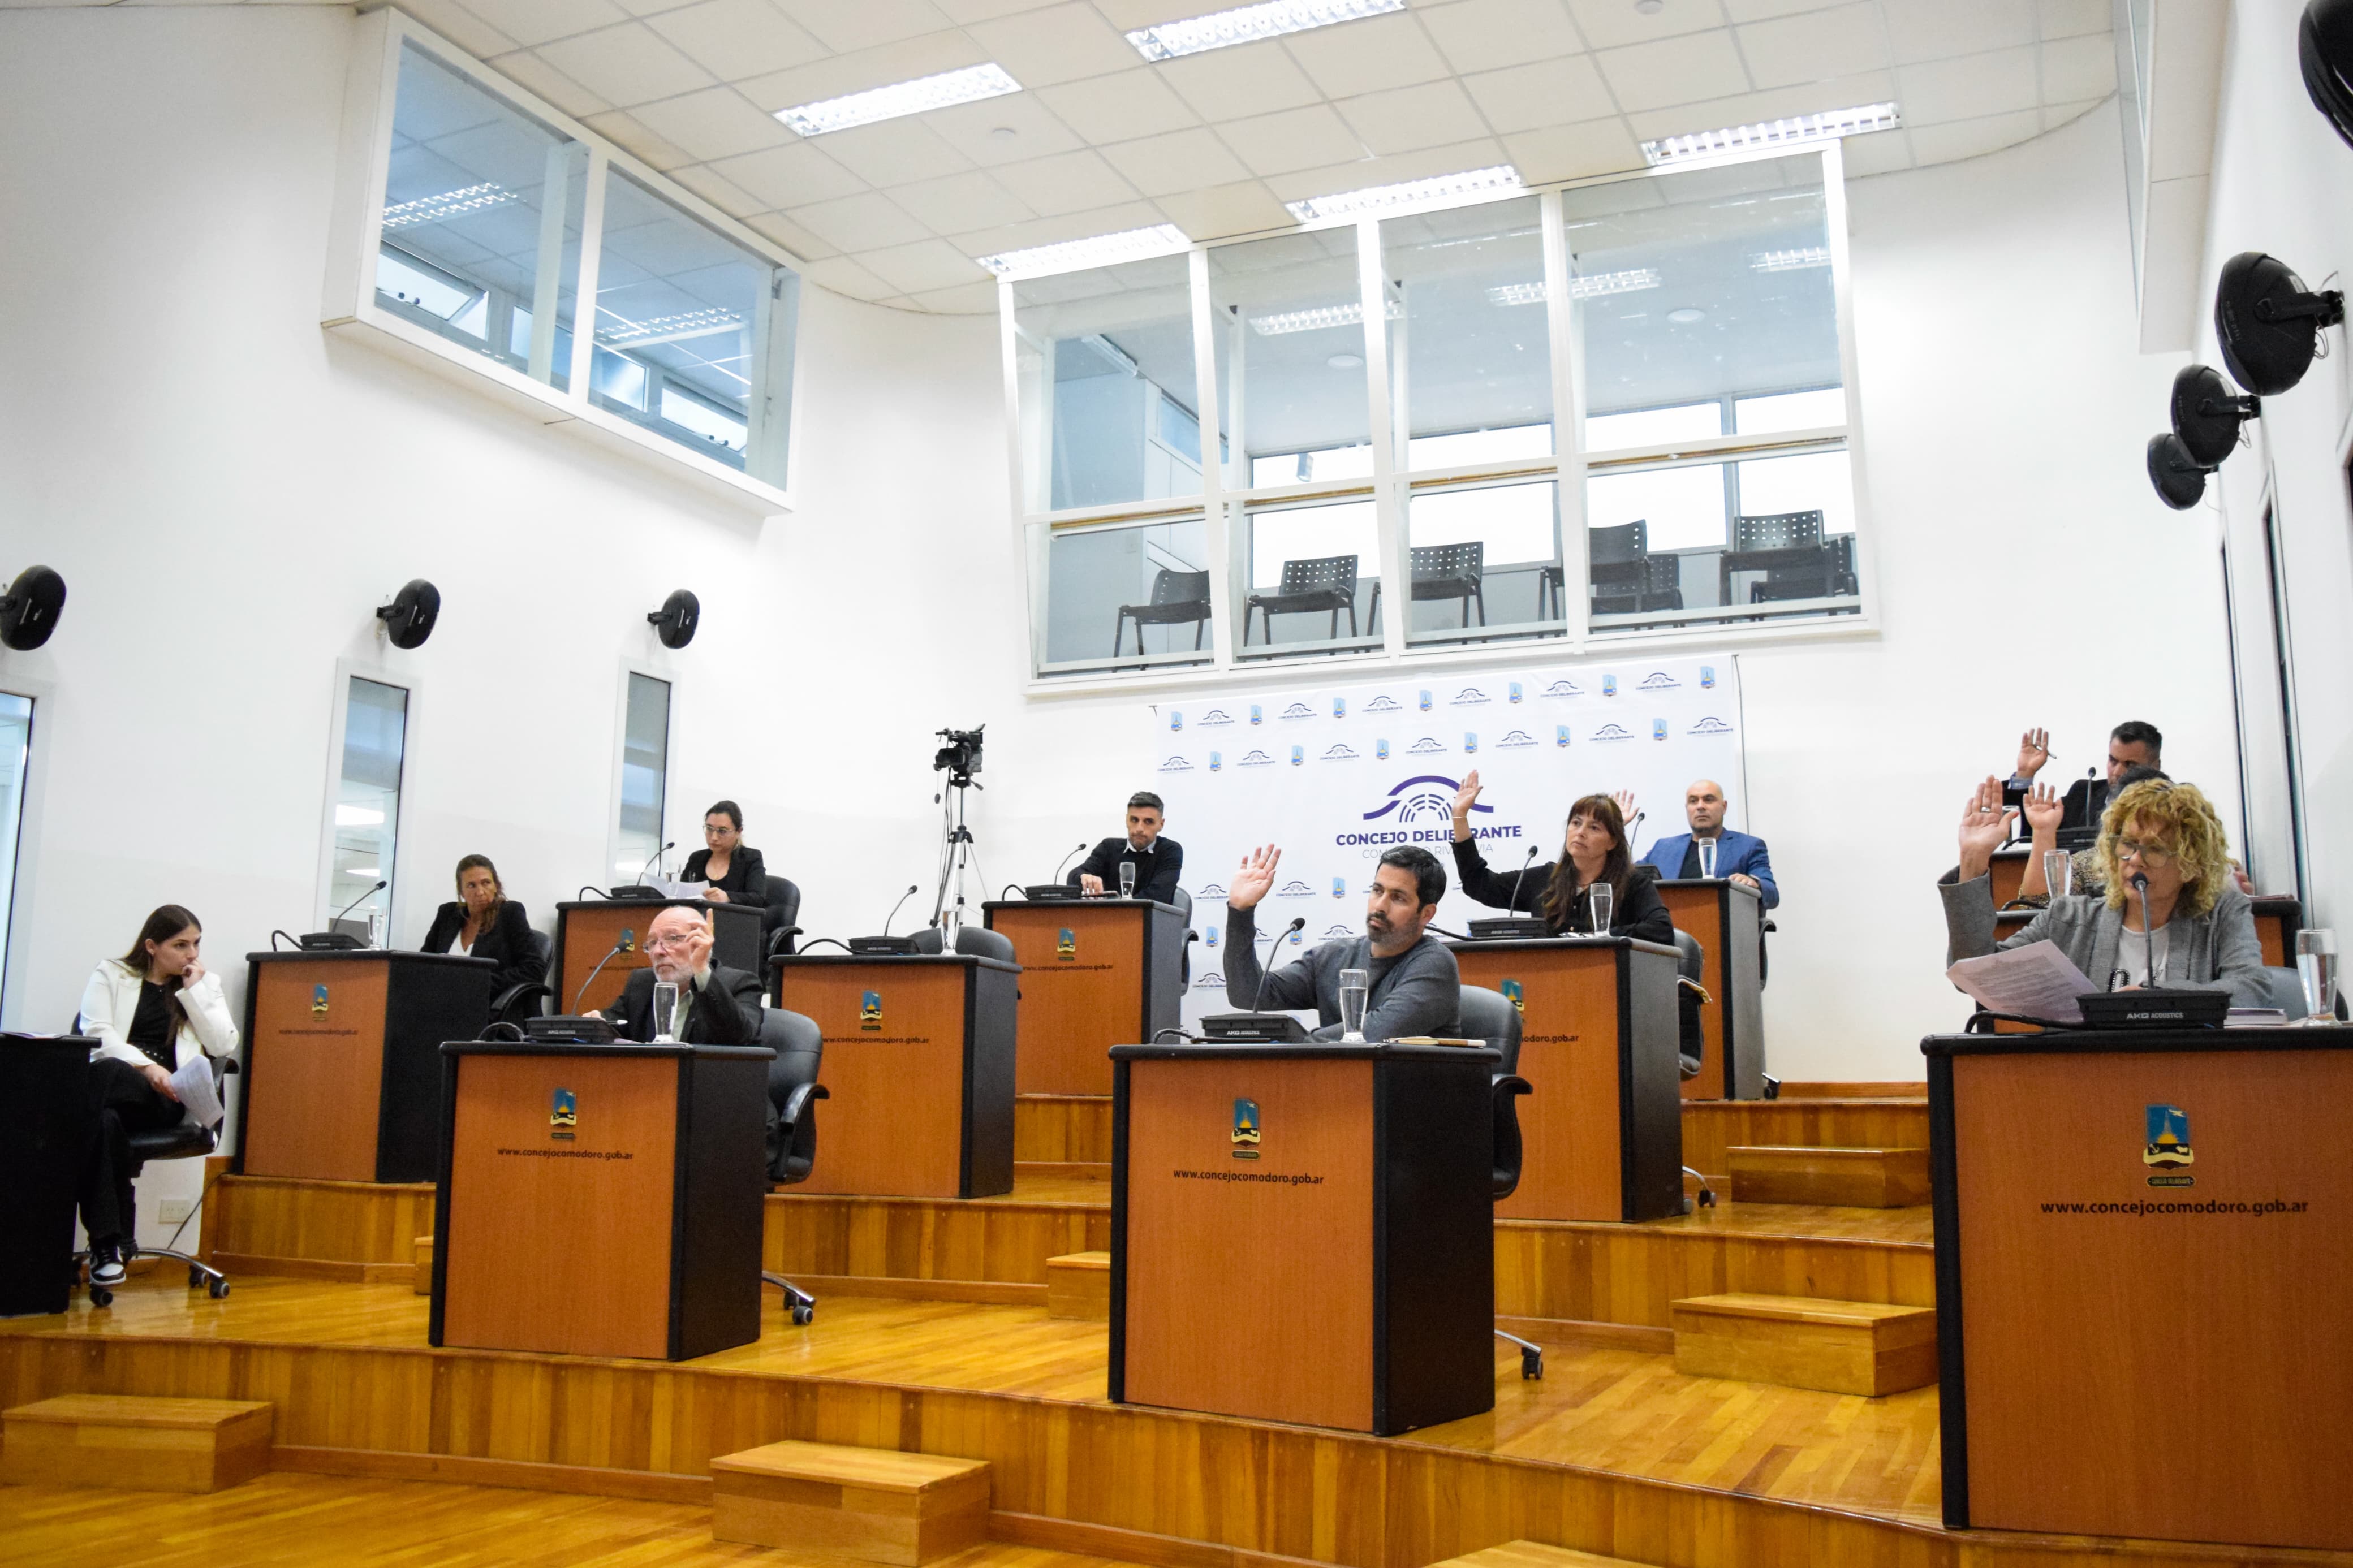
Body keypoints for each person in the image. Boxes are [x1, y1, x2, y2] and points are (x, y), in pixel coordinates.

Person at [1942, 775, 2268, 1004]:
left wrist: (2163, 998)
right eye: (2127, 844)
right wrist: (1973, 859)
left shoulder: (2222, 914)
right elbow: (1976, 974)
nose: (2135, 859)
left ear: (2190, 863)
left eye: (2154, 849)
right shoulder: (2070, 919)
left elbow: (2252, 988)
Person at [75, 905, 239, 1286]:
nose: (192, 954)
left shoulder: (203, 985)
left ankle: (106, 1239)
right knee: (103, 1118)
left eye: (196, 943)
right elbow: (97, 1033)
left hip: (168, 1098)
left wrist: (195, 993)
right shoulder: (111, 974)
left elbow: (223, 1045)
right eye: (181, 945)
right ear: (152, 946)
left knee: (95, 1089)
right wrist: (148, 1068)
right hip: (120, 1090)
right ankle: (108, 1246)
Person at [1221, 844, 1460, 1040]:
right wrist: (1240, 912)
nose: (1380, 906)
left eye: (1398, 898)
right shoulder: (1333, 957)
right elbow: (1248, 995)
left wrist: (1297, 1041)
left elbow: (1379, 1032)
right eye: (1378, 891)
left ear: (1426, 914)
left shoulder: (1434, 964)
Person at [1449, 772, 1673, 942]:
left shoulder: (1632, 884)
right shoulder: (1545, 879)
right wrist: (1460, 817)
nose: (1580, 832)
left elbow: (1661, 930)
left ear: (1612, 842)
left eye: (1594, 828)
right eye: (1576, 823)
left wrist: (1602, 937)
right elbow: (1479, 884)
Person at [587, 905, 762, 1044]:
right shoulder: (642, 983)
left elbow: (740, 1038)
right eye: (652, 942)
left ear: (700, 941)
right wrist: (596, 1026)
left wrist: (700, 970)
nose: (658, 951)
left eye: (672, 939)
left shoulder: (741, 984)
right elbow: (615, 1028)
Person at [1637, 779, 1778, 908]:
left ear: (1724, 807)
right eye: (1693, 801)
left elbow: (1772, 894)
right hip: (1670, 924)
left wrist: (1754, 884)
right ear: (1687, 808)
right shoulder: (1663, 848)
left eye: (1708, 800)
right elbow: (1629, 876)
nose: (1700, 806)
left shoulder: (1749, 847)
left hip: (1721, 923)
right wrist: (1621, 829)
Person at [2009, 720, 2162, 836]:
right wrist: (2025, 773)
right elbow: (2031, 839)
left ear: (2155, 767)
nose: (2117, 772)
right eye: (2113, 761)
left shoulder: (2169, 806)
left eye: (2131, 765)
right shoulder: (2084, 795)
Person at [421, 854, 546, 994]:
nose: (480, 892)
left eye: (486, 883)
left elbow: (534, 969)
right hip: (441, 998)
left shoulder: (510, 914)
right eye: (471, 886)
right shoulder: (447, 914)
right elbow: (421, 964)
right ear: (461, 891)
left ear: (496, 886)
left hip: (488, 1001)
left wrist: (477, 982)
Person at [1069, 791, 1184, 903]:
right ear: (1127, 820)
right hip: (1108, 915)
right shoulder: (1108, 847)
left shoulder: (1170, 850)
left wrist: (1118, 909)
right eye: (1134, 820)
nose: (1140, 828)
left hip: (1147, 916)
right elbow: (1074, 878)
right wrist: (1083, 877)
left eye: (1148, 822)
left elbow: (1158, 895)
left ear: (1161, 824)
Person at [679, 801, 769, 909]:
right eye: (709, 829)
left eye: (722, 831)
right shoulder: (697, 858)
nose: (714, 837)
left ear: (738, 832)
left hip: (732, 919)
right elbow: (681, 894)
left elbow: (758, 899)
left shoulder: (751, 858)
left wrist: (728, 897)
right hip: (696, 918)